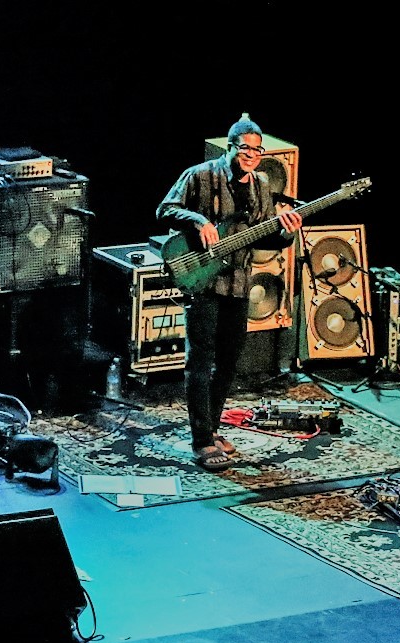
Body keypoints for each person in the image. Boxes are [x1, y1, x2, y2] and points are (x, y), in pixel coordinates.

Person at [156, 113, 302, 471]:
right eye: (244, 148)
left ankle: (212, 427)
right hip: (203, 280)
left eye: (257, 149)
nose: (251, 155)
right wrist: (200, 220)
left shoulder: (262, 183)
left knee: (228, 361)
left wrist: (287, 231)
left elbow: (264, 236)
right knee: (200, 361)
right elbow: (164, 210)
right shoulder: (200, 175)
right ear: (231, 147)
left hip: (238, 283)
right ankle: (201, 440)